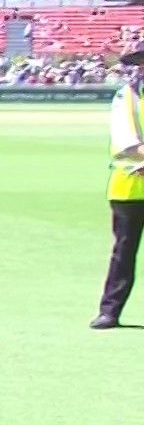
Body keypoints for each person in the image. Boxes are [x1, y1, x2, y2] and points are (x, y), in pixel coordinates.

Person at [92, 47, 144, 329]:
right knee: (124, 252)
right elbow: (127, 144)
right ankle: (110, 311)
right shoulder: (128, 97)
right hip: (130, 186)